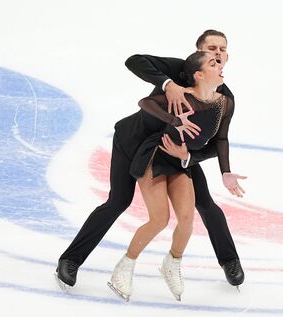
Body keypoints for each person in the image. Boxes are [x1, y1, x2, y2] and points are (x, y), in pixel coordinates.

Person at [55, 30, 245, 290]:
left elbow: (215, 141)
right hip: (135, 141)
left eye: (222, 49)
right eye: (211, 49)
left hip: (174, 151)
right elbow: (134, 61)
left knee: (205, 204)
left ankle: (229, 260)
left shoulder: (224, 98)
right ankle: (71, 260)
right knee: (118, 201)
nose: (217, 54)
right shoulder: (181, 69)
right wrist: (169, 85)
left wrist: (189, 157)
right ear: (198, 50)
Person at [108, 51, 236, 301]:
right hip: (155, 155)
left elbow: (220, 138)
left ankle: (172, 263)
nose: (220, 65)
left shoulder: (224, 103)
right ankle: (124, 267)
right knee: (159, 219)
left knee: (187, 220)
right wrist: (174, 120)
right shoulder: (181, 96)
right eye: (213, 63)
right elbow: (145, 104)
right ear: (199, 75)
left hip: (180, 160)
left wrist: (226, 171)